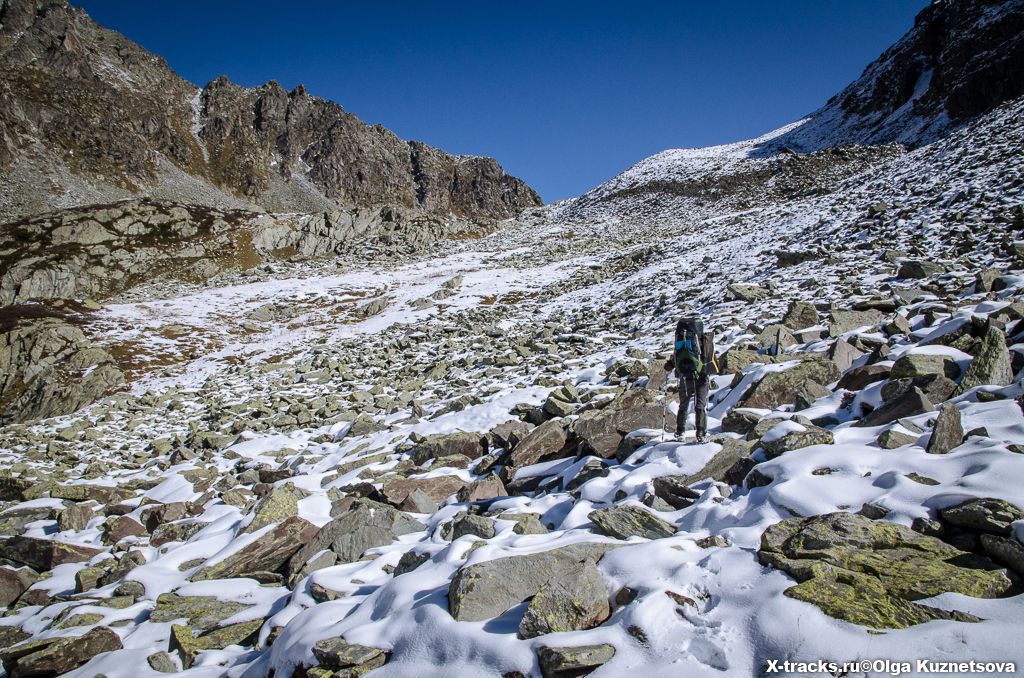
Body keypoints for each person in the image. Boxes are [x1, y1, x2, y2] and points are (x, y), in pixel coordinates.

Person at [663, 315, 716, 442]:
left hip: (685, 377)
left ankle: (680, 432)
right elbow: (710, 358)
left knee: (683, 405)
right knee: (700, 406)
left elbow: (676, 356)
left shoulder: (682, 341)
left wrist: (670, 364)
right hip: (702, 377)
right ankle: (701, 433)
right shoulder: (704, 341)